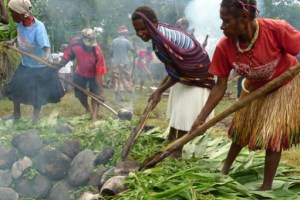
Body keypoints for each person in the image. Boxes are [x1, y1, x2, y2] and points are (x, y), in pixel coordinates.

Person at [191, 0, 300, 190]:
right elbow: (219, 87)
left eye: (226, 21)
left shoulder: (277, 29)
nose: (222, 26)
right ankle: (224, 169)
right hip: (254, 88)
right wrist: (200, 119)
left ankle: (266, 186)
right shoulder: (225, 46)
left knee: (273, 134)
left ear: (244, 18)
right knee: (241, 128)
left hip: (283, 85)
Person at [131, 6, 215, 157]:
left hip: (197, 73)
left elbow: (177, 73)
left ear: (154, 22)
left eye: (143, 28)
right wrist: (159, 90)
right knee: (177, 104)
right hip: (183, 73)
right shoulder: (158, 33)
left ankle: (177, 151)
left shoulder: (163, 39)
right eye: (137, 30)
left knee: (184, 111)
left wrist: (159, 91)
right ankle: (171, 136)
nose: (140, 33)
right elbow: (172, 67)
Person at [3, 0, 64, 124]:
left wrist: (46, 57)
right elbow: (20, 35)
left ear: (23, 14)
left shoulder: (38, 27)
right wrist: (12, 41)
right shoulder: (20, 24)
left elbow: (46, 47)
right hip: (26, 64)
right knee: (16, 88)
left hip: (39, 67)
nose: (11, 14)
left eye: (13, 12)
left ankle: (34, 120)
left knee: (37, 95)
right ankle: (16, 114)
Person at [59, 28, 107, 122]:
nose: (90, 46)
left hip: (94, 75)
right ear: (82, 39)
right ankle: (87, 109)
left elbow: (98, 74)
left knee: (95, 95)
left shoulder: (97, 51)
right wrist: (57, 67)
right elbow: (66, 57)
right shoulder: (74, 43)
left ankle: (94, 116)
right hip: (80, 72)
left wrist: (101, 92)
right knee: (80, 95)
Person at [110, 25, 135, 101]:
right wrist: (133, 43)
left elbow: (111, 52)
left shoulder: (114, 41)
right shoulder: (127, 41)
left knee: (117, 79)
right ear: (125, 33)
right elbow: (133, 51)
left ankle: (118, 96)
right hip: (124, 63)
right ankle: (130, 95)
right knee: (126, 79)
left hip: (115, 63)